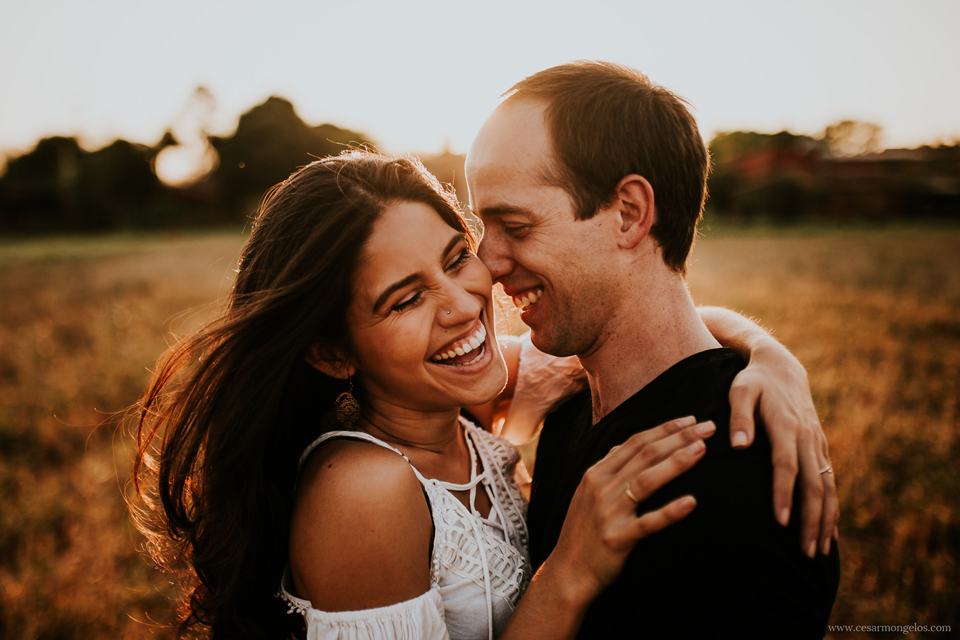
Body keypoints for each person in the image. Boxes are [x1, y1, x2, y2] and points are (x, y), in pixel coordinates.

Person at [133, 151, 832, 640]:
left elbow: (650, 326)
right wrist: (568, 573)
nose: (464, 304)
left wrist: (769, 358)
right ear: (331, 352)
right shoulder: (363, 490)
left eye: (454, 258)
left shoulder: (460, 401)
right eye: (405, 299)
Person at [465, 61, 841, 638]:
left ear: (629, 213)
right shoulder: (569, 395)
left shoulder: (740, 477)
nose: (487, 263)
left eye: (514, 225)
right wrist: (764, 346)